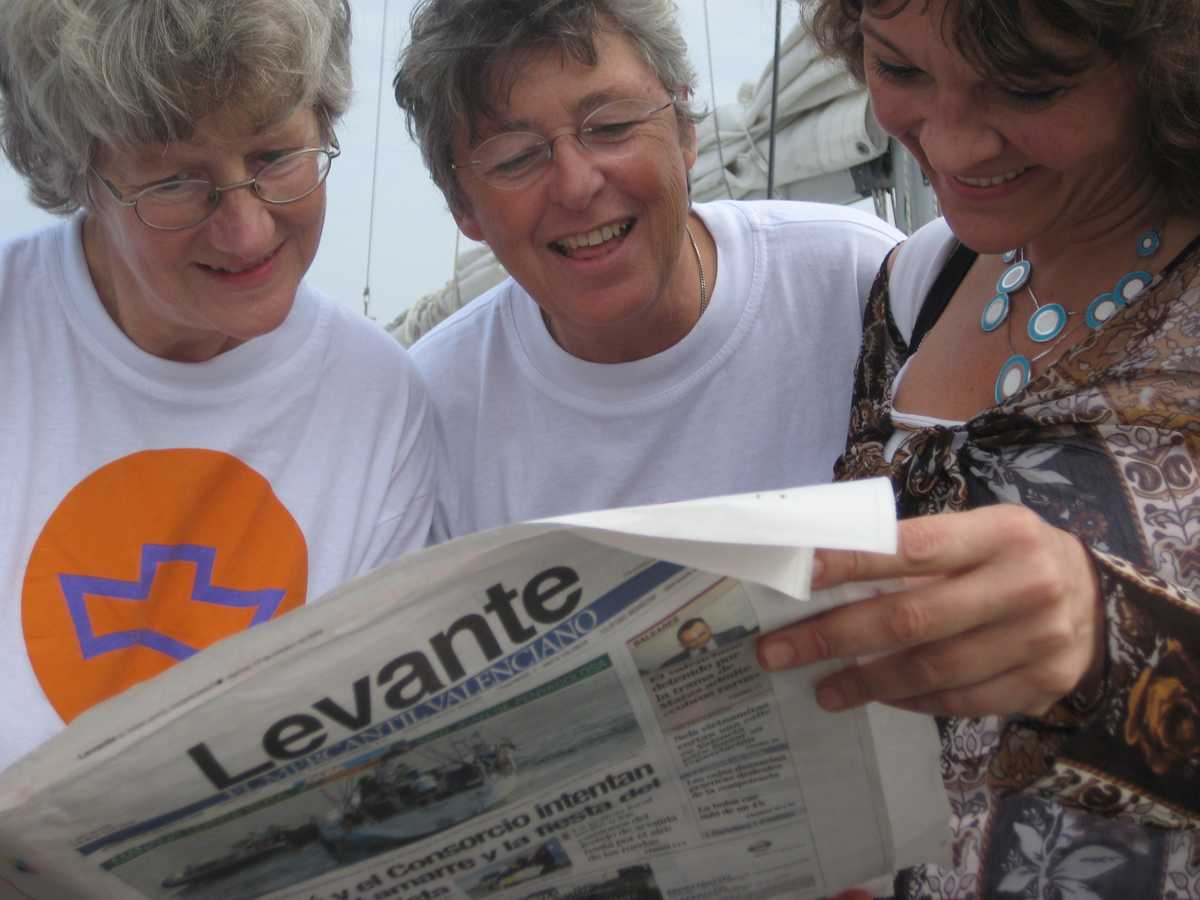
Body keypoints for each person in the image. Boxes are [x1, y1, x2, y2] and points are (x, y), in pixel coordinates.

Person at [756, 1, 1200, 897]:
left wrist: (1110, 640)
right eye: (902, 72)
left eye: (1029, 86)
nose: (952, 147)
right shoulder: (922, 280)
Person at [0, 0, 440, 773]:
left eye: (274, 157)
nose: (246, 230)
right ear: (82, 179)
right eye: (176, 181)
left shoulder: (376, 401)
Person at [393, 0, 903, 538]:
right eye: (516, 157)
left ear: (685, 130)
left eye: (610, 126)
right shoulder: (430, 414)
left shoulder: (859, 284)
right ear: (462, 207)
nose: (576, 184)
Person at [661, 617, 757, 668]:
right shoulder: (672, 665)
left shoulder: (736, 634)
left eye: (702, 634)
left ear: (709, 628)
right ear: (682, 645)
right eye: (692, 641)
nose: (699, 641)